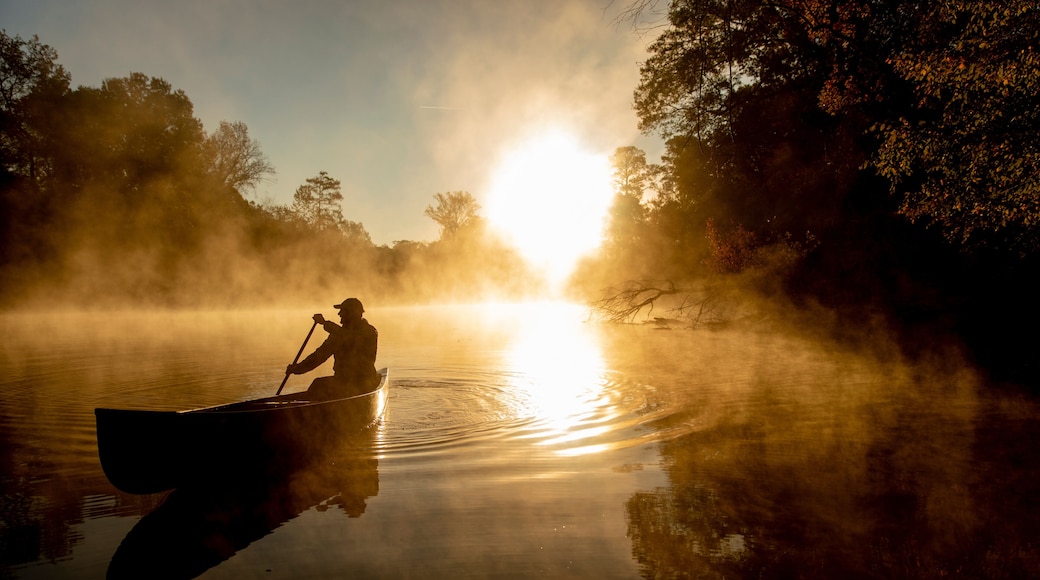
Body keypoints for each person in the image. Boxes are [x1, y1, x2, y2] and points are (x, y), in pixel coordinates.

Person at [286, 298, 380, 399]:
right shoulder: (337, 335)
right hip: (342, 381)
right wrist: (298, 368)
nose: (339, 314)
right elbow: (319, 356)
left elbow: (351, 339)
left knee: (319, 386)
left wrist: (325, 323)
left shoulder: (369, 332)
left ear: (352, 313)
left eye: (343, 311)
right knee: (318, 384)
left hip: (363, 382)